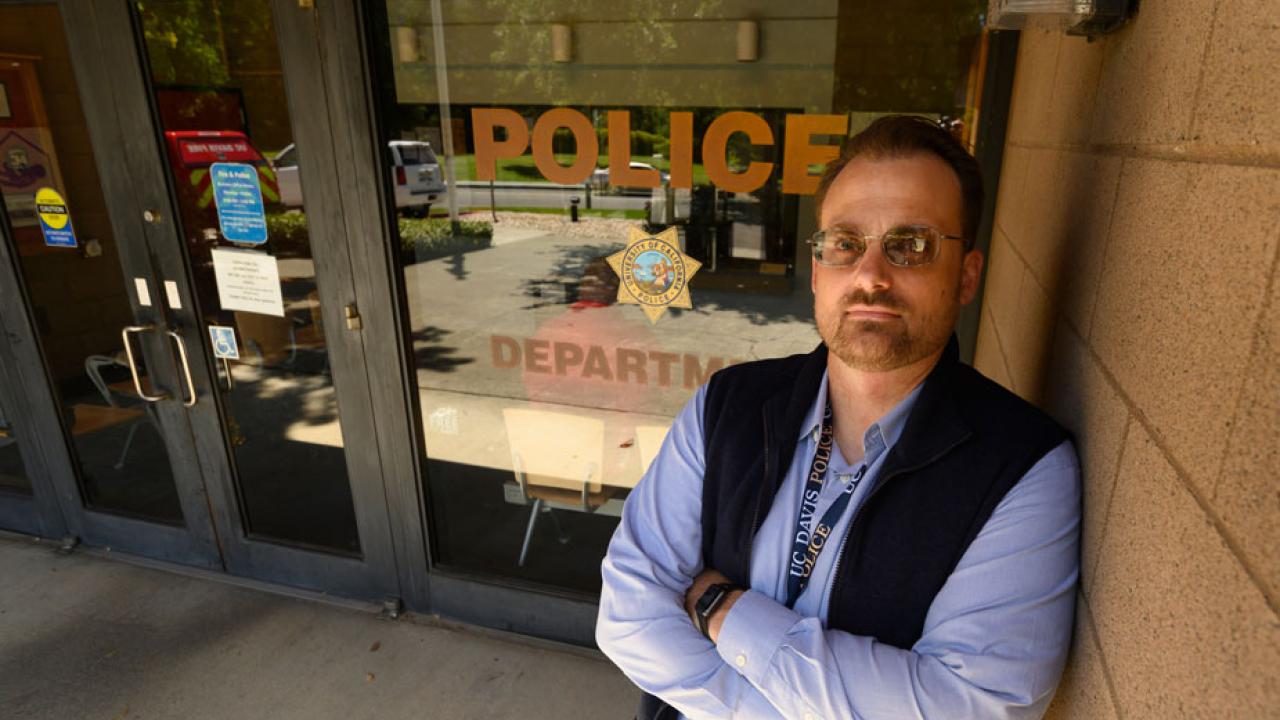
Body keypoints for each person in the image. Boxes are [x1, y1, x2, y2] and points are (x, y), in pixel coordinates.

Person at [596, 115, 1080, 719]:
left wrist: (725, 612)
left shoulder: (1023, 466)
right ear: (819, 271)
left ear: (967, 277)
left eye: (913, 245)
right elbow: (627, 615)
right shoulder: (728, 405)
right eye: (846, 243)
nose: (871, 275)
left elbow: (973, 708)